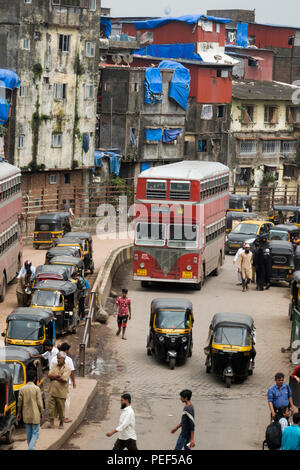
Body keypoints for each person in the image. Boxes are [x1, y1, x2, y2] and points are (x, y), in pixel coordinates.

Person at [17, 369, 44, 450]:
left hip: (26, 414)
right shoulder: (36, 389)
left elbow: (19, 403)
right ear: (34, 378)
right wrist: (41, 412)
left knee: (29, 432)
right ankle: (31, 448)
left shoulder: (22, 389)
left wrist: (19, 413)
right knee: (36, 432)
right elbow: (39, 403)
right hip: (35, 414)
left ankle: (30, 447)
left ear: (26, 378)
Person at [50, 342, 76, 424]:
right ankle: (65, 417)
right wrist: (74, 382)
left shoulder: (53, 359)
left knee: (55, 399)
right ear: (66, 350)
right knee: (66, 400)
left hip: (54, 383)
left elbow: (50, 372)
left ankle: (56, 416)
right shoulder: (68, 359)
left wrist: (55, 377)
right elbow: (71, 372)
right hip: (65, 384)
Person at [47, 351, 71, 429]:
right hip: (52, 391)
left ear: (63, 359)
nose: (58, 360)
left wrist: (54, 377)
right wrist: (57, 376)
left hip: (61, 392)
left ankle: (61, 423)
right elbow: (49, 375)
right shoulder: (54, 366)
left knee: (61, 408)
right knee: (51, 408)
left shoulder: (67, 368)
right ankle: (51, 423)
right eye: (57, 358)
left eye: (59, 358)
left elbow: (64, 379)